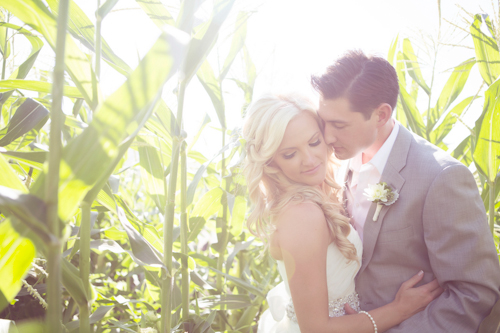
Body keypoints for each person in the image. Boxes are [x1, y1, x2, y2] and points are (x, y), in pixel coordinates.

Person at [311, 50, 500, 332]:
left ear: (381, 114)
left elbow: (474, 294)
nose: (327, 136)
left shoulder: (441, 178)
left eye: (339, 125)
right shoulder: (333, 165)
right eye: (324, 121)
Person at [242, 94, 443, 333]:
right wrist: (399, 309)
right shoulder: (302, 215)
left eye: (314, 142)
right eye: (289, 154)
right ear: (271, 162)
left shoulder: (316, 195)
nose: (309, 159)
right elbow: (315, 328)